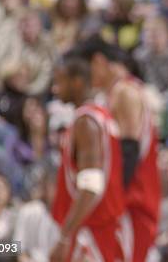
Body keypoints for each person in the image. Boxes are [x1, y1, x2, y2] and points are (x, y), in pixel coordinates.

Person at [75, 36, 161, 262]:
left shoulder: (124, 91)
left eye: (85, 70)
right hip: (127, 202)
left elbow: (129, 150)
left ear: (98, 61)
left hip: (133, 203)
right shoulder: (114, 92)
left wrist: (111, 198)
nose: (84, 78)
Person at [49, 53, 127, 262]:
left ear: (77, 82)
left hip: (91, 231)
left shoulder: (85, 122)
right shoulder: (101, 113)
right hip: (105, 226)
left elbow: (91, 186)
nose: (54, 88)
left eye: (59, 81)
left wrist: (64, 236)